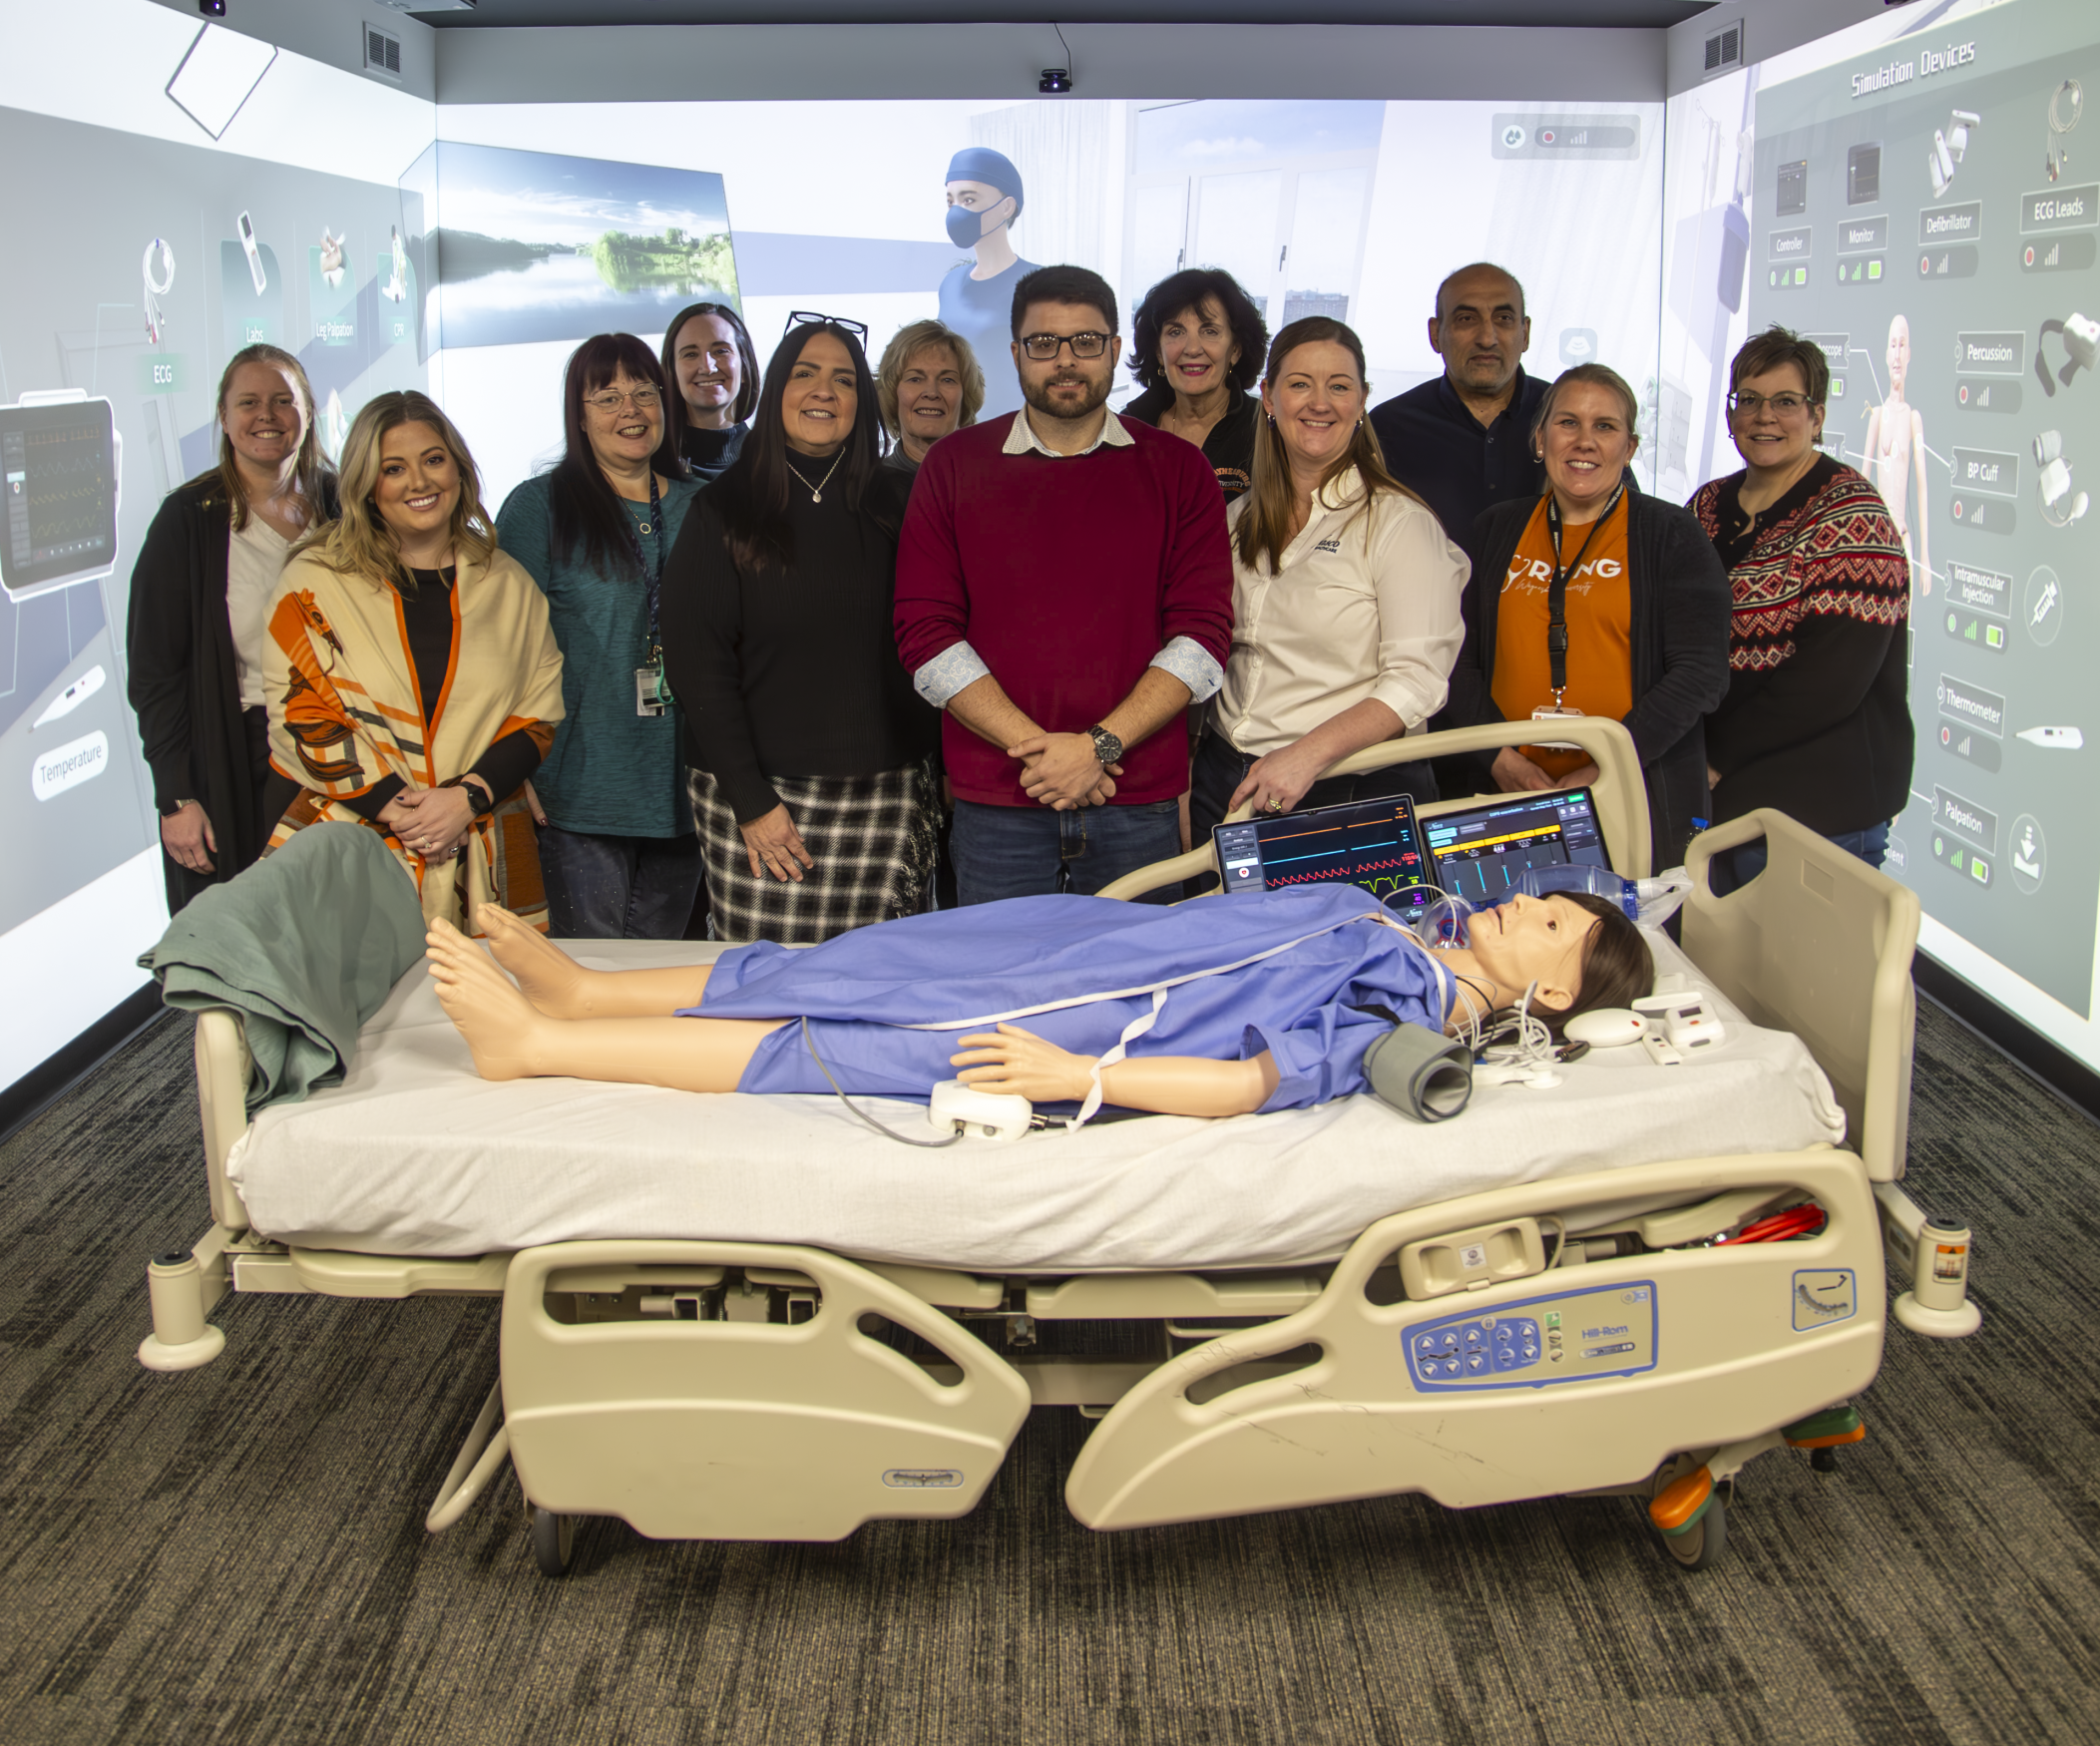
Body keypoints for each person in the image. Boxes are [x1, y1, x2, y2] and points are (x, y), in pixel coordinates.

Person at [427, 877, 1654, 1112]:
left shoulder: (1406, 1014)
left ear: (1548, 995)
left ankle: (535, 1047)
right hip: (1088, 939)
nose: (1524, 904)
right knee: (866, 960)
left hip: (1095, 1016)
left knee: (841, 1036)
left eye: (1551, 922)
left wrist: (1081, 1077)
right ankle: (590, 992)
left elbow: (1245, 1082)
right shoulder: (1406, 929)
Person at [895, 264, 1233, 903]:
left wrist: (1099, 748)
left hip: (1137, 801)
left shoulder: (1180, 470)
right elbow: (926, 635)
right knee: (1000, 991)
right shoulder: (952, 467)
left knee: (1139, 989)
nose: (1066, 361)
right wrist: (1048, 755)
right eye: (1045, 344)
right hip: (1000, 802)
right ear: (1018, 353)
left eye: (1085, 341)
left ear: (1113, 351)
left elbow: (1203, 635)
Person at [660, 315, 937, 944]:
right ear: (777, 386)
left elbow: (937, 639)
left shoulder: (905, 500)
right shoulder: (722, 509)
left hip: (887, 793)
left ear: (861, 402)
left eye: (843, 379)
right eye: (805, 374)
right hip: (757, 797)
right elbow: (697, 666)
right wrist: (752, 802)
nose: (824, 391)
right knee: (766, 990)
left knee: (878, 987)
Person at [263, 392, 564, 927]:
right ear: (365, 485)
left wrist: (462, 803)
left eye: (433, 460)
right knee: (355, 1004)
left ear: (458, 466)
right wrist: (403, 812)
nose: (419, 482)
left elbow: (538, 717)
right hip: (350, 837)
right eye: (393, 468)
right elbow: (298, 712)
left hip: (482, 837)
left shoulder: (508, 582)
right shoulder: (314, 581)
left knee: (489, 1002)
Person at [1442, 363, 1733, 868]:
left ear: (1630, 447)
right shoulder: (1496, 528)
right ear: (1540, 438)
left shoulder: (1671, 535)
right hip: (1509, 792)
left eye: (1605, 426)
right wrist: (1495, 758)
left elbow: (1700, 674)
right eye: (1568, 423)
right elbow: (1455, 657)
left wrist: (1610, 763)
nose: (1585, 441)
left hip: (1630, 789)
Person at [1193, 316, 1469, 850]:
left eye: (1339, 386)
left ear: (1362, 400)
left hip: (1343, 791)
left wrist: (1305, 757)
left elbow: (1417, 681)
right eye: (1300, 384)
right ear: (1269, 397)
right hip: (1226, 782)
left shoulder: (1398, 524)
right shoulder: (1234, 520)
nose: (1319, 402)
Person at [496, 334, 705, 938]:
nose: (630, 411)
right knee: (588, 980)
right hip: (577, 788)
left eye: (644, 393)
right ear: (580, 416)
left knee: (653, 982)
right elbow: (502, 646)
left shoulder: (704, 506)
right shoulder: (541, 507)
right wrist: (516, 769)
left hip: (686, 790)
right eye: (608, 397)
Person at [1690, 327, 1912, 882]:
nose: (1765, 417)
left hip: (1818, 808)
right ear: (1730, 414)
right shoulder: (1706, 504)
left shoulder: (1853, 515)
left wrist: (1714, 758)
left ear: (1816, 416)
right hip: (1721, 797)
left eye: (1786, 402)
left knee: (1805, 970)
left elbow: (1827, 684)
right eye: (1750, 400)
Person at [127, 346, 339, 912]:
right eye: (248, 402)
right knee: (241, 928)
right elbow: (155, 674)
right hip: (237, 751)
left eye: (282, 401)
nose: (266, 415)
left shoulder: (341, 504)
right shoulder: (187, 520)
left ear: (308, 412)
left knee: (326, 922)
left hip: (339, 746)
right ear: (223, 417)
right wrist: (176, 798)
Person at [1370, 262, 1550, 549]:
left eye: (1503, 318)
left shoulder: (1569, 418)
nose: (1487, 339)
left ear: (1525, 333)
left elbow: (1625, 526)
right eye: (1466, 319)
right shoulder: (1386, 427)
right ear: (1435, 333)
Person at [1122, 268, 1269, 497]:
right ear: (1159, 352)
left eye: (1209, 331)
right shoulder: (1126, 427)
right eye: (1175, 332)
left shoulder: (1265, 429)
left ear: (1236, 350)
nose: (1192, 349)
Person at [936, 148, 1038, 417]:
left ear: (1007, 206)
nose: (956, 212)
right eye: (950, 201)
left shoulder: (1039, 285)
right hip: (955, 431)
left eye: (968, 199)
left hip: (1015, 436)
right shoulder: (950, 283)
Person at [1859, 311, 1932, 594]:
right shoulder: (1876, 415)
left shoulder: (1913, 418)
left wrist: (1924, 556)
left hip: (1901, 542)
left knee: (1901, 633)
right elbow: (1862, 483)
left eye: (1903, 345)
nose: (1898, 354)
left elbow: (1922, 488)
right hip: (1875, 540)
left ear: (1909, 353)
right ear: (1886, 354)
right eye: (1893, 345)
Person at [875, 318, 987, 483]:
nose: (932, 392)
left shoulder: (992, 483)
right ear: (893, 393)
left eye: (947, 380)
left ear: (965, 396)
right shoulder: (863, 493)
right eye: (915, 379)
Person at [661, 299, 758, 480]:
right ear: (673, 374)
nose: (707, 367)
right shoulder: (652, 467)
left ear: (745, 369)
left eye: (721, 351)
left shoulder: (777, 461)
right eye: (690, 354)